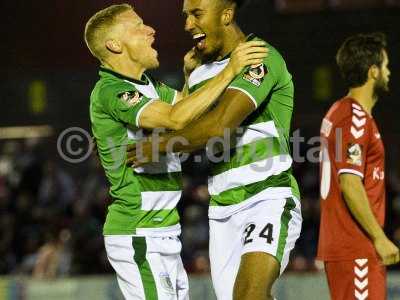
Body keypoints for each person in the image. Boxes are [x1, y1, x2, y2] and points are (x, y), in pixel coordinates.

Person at [84, 3, 267, 299]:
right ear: (114, 44)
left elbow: (186, 108)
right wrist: (231, 71)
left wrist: (187, 75)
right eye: (137, 26)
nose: (150, 30)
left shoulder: (147, 85)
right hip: (138, 231)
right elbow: (175, 119)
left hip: (163, 231)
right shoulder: (111, 90)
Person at [127, 0, 302, 299]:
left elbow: (219, 125)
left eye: (196, 14)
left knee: (249, 295)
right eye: (186, 16)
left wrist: (159, 145)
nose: (187, 24)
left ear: (227, 14)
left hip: (268, 196)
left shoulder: (258, 56)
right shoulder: (199, 73)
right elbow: (183, 127)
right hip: (222, 209)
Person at [317, 32, 400, 300]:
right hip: (355, 248)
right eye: (385, 66)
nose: (389, 72)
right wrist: (379, 238)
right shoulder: (353, 118)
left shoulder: (341, 112)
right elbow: (350, 183)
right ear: (373, 71)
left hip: (350, 249)